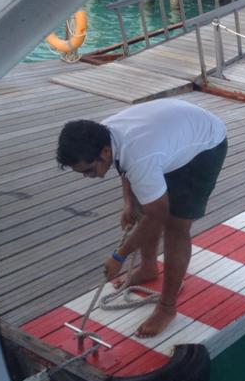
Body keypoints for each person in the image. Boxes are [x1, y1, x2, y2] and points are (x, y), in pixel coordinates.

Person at [56, 98, 227, 338]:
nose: (87, 176)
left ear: (103, 152)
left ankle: (167, 308)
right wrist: (129, 203)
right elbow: (124, 165)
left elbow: (158, 214)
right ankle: (148, 268)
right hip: (171, 136)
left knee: (176, 227)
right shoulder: (105, 136)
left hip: (205, 145)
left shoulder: (137, 154)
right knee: (145, 206)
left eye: (88, 170)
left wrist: (120, 256)